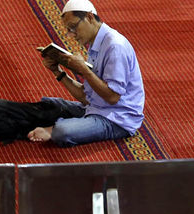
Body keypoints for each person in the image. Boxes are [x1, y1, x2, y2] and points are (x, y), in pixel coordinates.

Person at [26, 0, 145, 147]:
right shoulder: (96, 44)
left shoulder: (115, 47)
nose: (71, 35)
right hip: (95, 108)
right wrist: (58, 72)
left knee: (62, 131)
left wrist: (85, 70)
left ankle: (53, 130)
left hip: (116, 119)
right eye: (69, 30)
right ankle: (68, 124)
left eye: (73, 27)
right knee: (48, 104)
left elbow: (113, 97)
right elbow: (86, 97)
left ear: (89, 17)